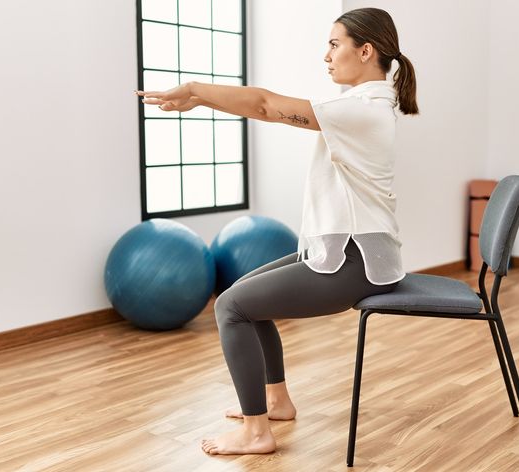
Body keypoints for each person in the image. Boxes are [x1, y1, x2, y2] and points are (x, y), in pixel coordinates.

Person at [137, 7, 418, 456]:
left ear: (366, 51)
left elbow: (265, 105)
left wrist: (195, 90)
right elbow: (265, 106)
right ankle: (276, 403)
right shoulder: (367, 105)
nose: (326, 55)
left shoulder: (361, 109)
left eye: (334, 44)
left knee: (230, 307)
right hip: (349, 252)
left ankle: (256, 433)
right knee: (244, 295)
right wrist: (201, 100)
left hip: (355, 262)